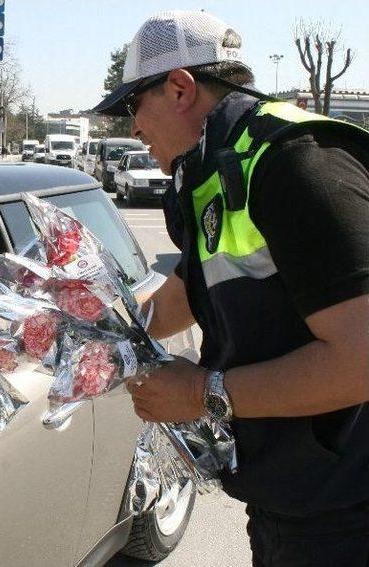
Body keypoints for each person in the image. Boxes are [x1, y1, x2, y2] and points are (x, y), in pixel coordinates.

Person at [93, 10, 369, 566]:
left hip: (347, 514)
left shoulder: (296, 164)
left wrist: (201, 392)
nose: (133, 129)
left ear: (179, 88)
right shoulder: (217, 172)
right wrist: (95, 338)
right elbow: (186, 293)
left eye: (132, 106)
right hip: (289, 504)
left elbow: (362, 358)